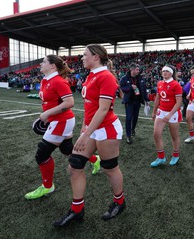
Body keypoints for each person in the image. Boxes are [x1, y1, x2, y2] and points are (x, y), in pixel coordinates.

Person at [53, 44, 125, 227]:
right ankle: (77, 210)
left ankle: (119, 202)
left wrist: (86, 135)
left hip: (107, 128)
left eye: (85, 55)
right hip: (93, 128)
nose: (82, 58)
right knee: (74, 166)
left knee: (110, 168)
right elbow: (89, 108)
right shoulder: (91, 76)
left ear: (96, 57)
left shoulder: (106, 76)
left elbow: (102, 110)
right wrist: (84, 129)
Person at [24, 55, 101, 201]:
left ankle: (48, 186)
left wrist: (47, 113)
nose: (41, 63)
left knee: (42, 154)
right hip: (59, 121)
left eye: (44, 62)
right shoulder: (46, 80)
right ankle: (94, 159)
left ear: (53, 66)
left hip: (62, 121)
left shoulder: (58, 81)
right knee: (67, 149)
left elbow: (69, 102)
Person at [150, 65, 183, 167]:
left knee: (174, 136)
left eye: (166, 71)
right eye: (163, 71)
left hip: (173, 113)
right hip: (161, 111)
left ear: (171, 73)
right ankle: (161, 157)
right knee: (156, 134)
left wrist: (170, 114)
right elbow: (157, 99)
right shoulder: (160, 83)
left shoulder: (176, 85)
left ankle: (175, 155)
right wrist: (154, 111)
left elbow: (179, 102)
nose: (164, 73)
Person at [120, 63, 150, 144]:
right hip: (129, 101)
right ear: (132, 70)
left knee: (135, 117)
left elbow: (143, 89)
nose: (138, 71)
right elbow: (122, 88)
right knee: (129, 118)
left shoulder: (140, 78)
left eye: (138, 70)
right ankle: (128, 135)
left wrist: (147, 100)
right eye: (137, 69)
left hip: (137, 101)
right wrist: (130, 87)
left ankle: (133, 129)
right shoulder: (125, 78)